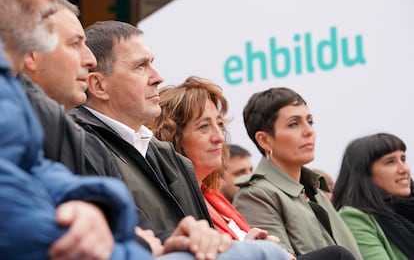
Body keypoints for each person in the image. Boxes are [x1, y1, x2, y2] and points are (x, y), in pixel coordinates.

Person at [0, 0, 241, 260]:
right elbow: (30, 220)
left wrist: (101, 209)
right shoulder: (82, 136)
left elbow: (43, 175)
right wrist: (131, 239)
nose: (158, 78)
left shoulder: (54, 122)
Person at [71, 20, 287, 260]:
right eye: (140, 67)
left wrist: (236, 245)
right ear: (99, 85)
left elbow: (204, 243)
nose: (158, 77)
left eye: (152, 63)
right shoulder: (78, 146)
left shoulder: (170, 157)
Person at [148, 76, 359, 260]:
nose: (219, 137)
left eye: (219, 124)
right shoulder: (253, 195)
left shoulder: (215, 198)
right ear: (172, 137)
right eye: (204, 126)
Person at [232, 87, 363, 259]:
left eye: (310, 121)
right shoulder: (254, 196)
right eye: (294, 124)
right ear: (264, 140)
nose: (309, 131)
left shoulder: (315, 190)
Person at [20, 0, 120, 177]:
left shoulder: (91, 147)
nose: (91, 60)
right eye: (75, 44)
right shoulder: (11, 143)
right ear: (30, 54)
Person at [332, 132, 413, 260]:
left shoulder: (408, 211)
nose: (403, 169)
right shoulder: (354, 217)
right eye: (390, 162)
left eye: (403, 159)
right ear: (365, 174)